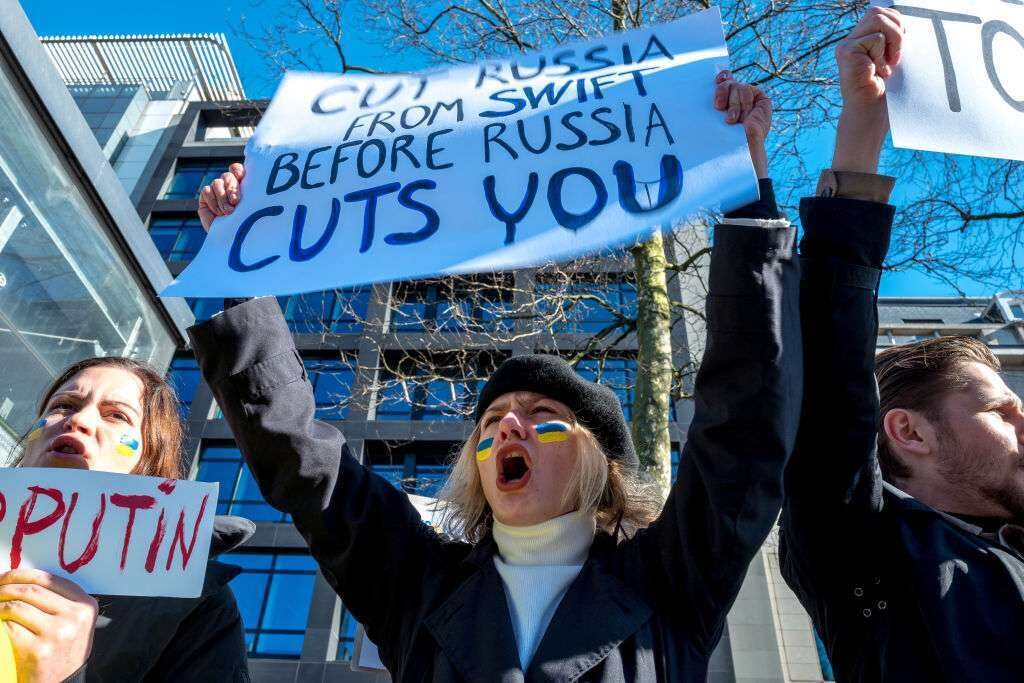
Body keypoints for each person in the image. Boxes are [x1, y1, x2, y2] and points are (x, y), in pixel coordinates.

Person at [193, 72, 801, 681]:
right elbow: (304, 462)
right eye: (489, 422)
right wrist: (237, 268)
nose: (508, 426)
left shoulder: (671, 578)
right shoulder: (416, 583)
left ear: (601, 463)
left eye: (543, 417)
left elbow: (744, 424)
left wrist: (746, 190)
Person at [779, 7, 1024, 682]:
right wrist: (863, 125)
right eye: (1000, 411)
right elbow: (830, 386)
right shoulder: (873, 557)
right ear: (909, 431)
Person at [9, 356, 253, 682]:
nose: (78, 420)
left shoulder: (196, 606)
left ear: (148, 464)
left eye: (117, 415)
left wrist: (67, 676)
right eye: (64, 405)